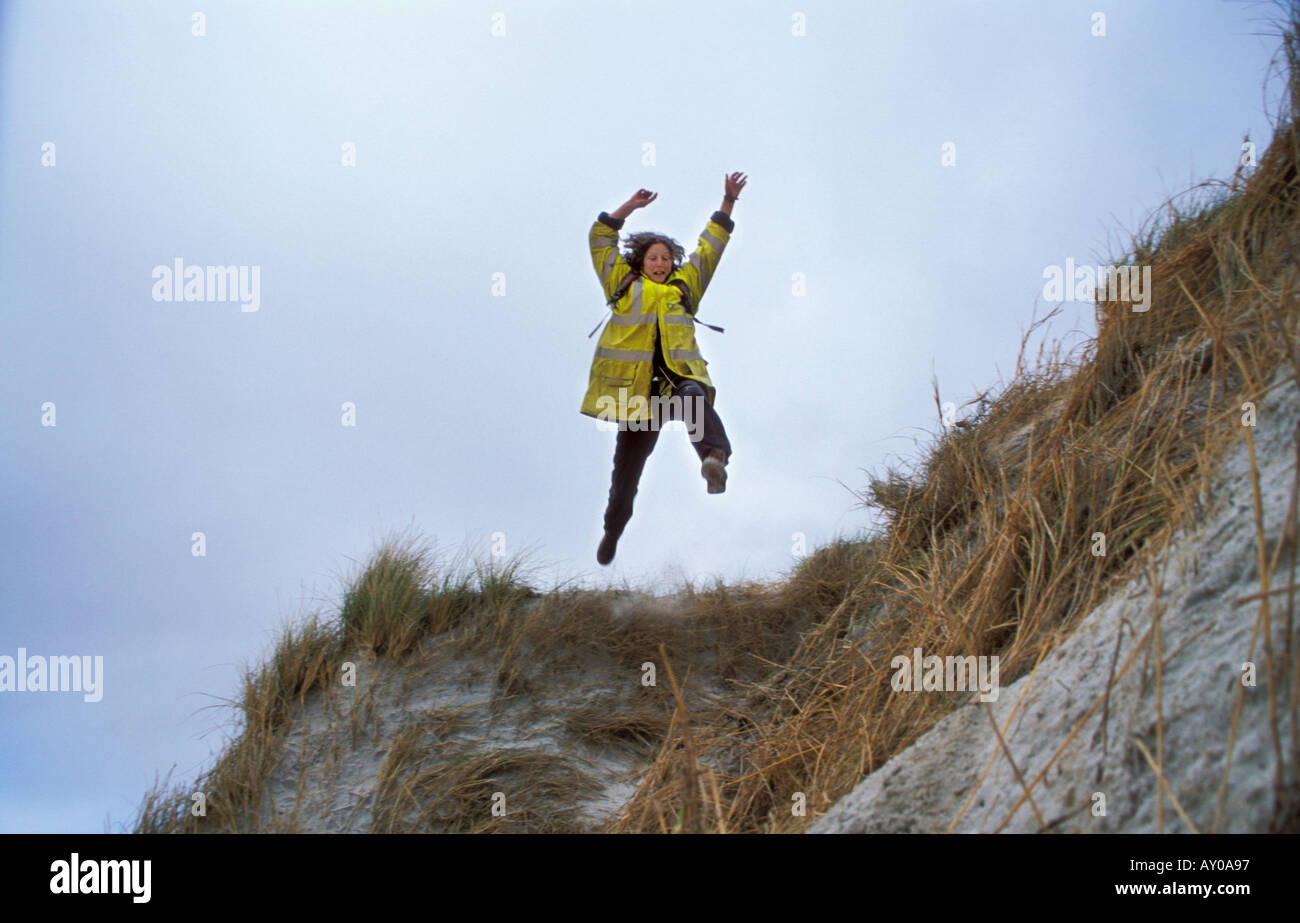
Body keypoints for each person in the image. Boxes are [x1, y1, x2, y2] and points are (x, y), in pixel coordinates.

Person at [580, 172, 747, 565]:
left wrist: (728, 201)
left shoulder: (685, 287)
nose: (659, 263)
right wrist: (628, 209)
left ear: (673, 263)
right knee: (625, 475)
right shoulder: (621, 282)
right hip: (636, 395)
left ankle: (714, 460)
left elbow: (710, 249)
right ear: (640, 260)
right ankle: (612, 531)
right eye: (652, 257)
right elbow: (600, 239)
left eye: (665, 258)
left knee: (693, 396)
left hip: (677, 380)